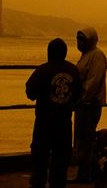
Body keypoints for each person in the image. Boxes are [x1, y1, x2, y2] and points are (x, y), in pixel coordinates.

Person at [25, 38, 82, 188]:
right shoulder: (73, 70)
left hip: (44, 122)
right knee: (61, 159)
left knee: (40, 157)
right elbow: (78, 94)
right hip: (64, 122)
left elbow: (30, 92)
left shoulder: (42, 70)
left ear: (49, 52)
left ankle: (38, 183)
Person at [72, 27, 107, 183]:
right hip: (82, 105)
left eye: (82, 39)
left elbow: (94, 81)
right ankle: (86, 172)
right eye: (78, 39)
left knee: (85, 141)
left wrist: (82, 98)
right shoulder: (86, 55)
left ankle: (86, 174)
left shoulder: (96, 56)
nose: (79, 43)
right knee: (81, 140)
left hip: (89, 105)